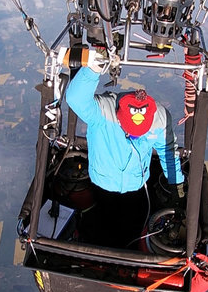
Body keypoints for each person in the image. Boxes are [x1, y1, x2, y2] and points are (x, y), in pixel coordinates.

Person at [65, 54, 185, 246]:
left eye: (141, 133)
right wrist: (92, 69)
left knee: (131, 227)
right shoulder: (103, 112)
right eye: (132, 132)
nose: (137, 137)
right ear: (120, 117)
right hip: (103, 185)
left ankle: (127, 245)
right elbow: (75, 98)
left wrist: (176, 186)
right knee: (103, 223)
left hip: (136, 187)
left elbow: (168, 152)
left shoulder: (159, 118)